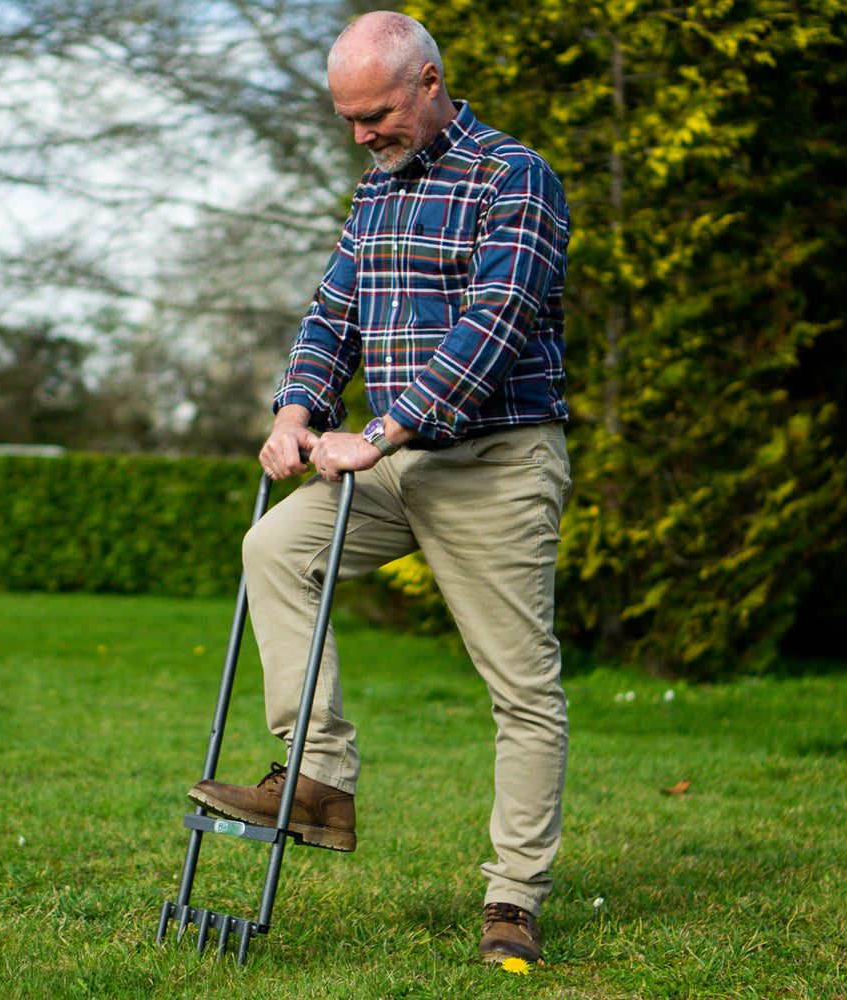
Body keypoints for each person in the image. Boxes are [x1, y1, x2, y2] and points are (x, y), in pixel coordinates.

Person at [189, 10, 572, 967]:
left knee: (520, 687)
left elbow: (499, 321)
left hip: (493, 461)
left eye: (379, 115)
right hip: (389, 463)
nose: (364, 135)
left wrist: (382, 428)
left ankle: (513, 900)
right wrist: (294, 413)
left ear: (432, 82)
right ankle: (316, 779)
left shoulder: (514, 178)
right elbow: (333, 314)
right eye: (350, 120)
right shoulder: (375, 192)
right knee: (274, 547)